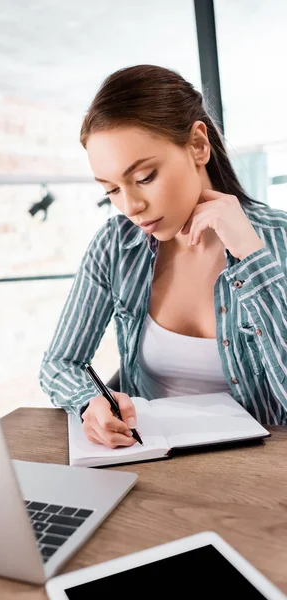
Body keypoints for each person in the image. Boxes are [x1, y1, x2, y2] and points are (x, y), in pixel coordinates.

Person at [39, 64, 287, 448]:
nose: (131, 206)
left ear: (198, 145)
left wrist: (251, 257)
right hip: (148, 463)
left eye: (144, 178)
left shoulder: (279, 239)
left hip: (258, 475)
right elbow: (59, 364)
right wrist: (89, 402)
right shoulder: (115, 247)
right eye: (111, 191)